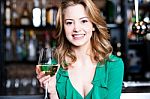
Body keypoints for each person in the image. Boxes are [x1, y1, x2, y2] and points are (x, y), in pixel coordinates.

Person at [36, 0, 124, 99]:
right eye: (69, 23)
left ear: (93, 25)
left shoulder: (114, 65)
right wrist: (51, 91)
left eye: (84, 21)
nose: (77, 28)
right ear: (63, 28)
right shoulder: (54, 66)